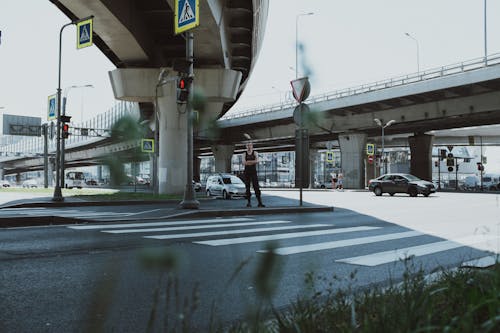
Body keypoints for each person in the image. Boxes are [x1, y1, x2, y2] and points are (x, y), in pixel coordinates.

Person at [243, 142, 265, 207]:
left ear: (252, 146)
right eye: (247, 145)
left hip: (253, 172)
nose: (249, 147)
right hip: (247, 172)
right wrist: (253, 161)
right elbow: (244, 162)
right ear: (246, 147)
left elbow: (257, 161)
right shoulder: (244, 154)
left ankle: (260, 202)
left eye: (250, 145)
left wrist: (249, 162)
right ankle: (249, 203)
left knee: (256, 187)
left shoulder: (255, 153)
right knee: (247, 187)